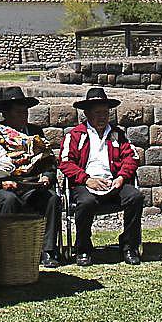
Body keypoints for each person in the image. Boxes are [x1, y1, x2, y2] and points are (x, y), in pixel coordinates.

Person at [58, 87, 143, 266]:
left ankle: (129, 246)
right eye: (98, 113)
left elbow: (132, 157)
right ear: (87, 114)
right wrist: (87, 179)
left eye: (105, 112)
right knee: (86, 202)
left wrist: (121, 177)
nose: (102, 117)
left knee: (135, 197)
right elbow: (65, 163)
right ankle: (83, 248)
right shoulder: (75, 136)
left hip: (113, 183)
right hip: (85, 184)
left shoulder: (117, 134)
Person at [0, 87, 62, 268]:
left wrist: (47, 176)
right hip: (7, 187)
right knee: (8, 200)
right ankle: (9, 251)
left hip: (32, 186)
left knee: (52, 199)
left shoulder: (35, 132)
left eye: (25, 112)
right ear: (6, 114)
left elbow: (49, 161)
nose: (23, 116)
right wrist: (1, 183)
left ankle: (47, 250)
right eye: (18, 112)